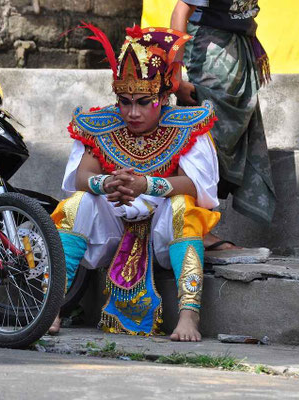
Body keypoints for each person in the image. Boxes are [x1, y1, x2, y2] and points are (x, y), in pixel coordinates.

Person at [48, 23, 221, 339]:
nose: (132, 112)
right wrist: (106, 184)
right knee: (77, 204)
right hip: (113, 221)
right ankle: (52, 308)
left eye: (144, 102)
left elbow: (195, 186)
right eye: (124, 101)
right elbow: (81, 177)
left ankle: (188, 316)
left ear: (163, 96)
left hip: (161, 231)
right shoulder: (102, 125)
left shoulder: (186, 126)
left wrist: (148, 185)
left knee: (185, 207)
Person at [170, 0, 277, 250]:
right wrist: (175, 76)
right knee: (205, 139)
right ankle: (195, 228)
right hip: (211, 53)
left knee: (224, 142)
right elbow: (181, 11)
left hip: (237, 49)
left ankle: (200, 225)